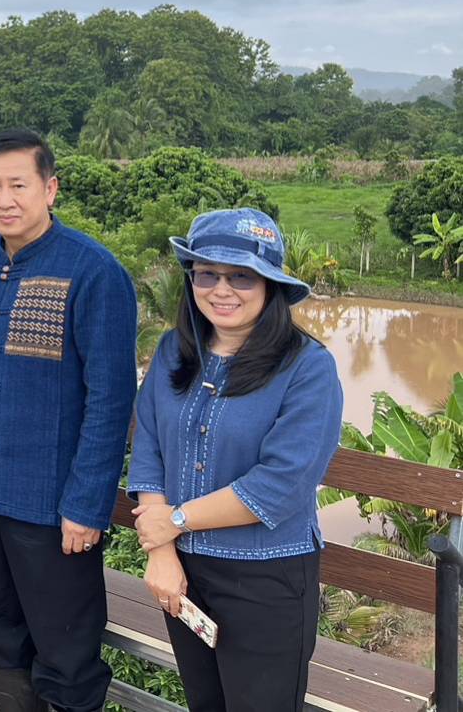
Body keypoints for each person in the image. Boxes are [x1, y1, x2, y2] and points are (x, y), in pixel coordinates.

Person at [0, 128, 137, 712]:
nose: (4, 199)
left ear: (50, 189)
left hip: (52, 508)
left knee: (66, 646)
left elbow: (110, 398)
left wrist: (87, 504)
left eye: (19, 185)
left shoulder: (94, 271)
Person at [128, 208, 343, 712]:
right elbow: (150, 448)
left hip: (265, 577)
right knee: (206, 702)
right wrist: (161, 552)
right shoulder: (172, 352)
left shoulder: (308, 368)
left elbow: (281, 485)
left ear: (270, 284)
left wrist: (174, 522)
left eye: (241, 276)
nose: (221, 289)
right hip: (182, 570)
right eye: (208, 273)